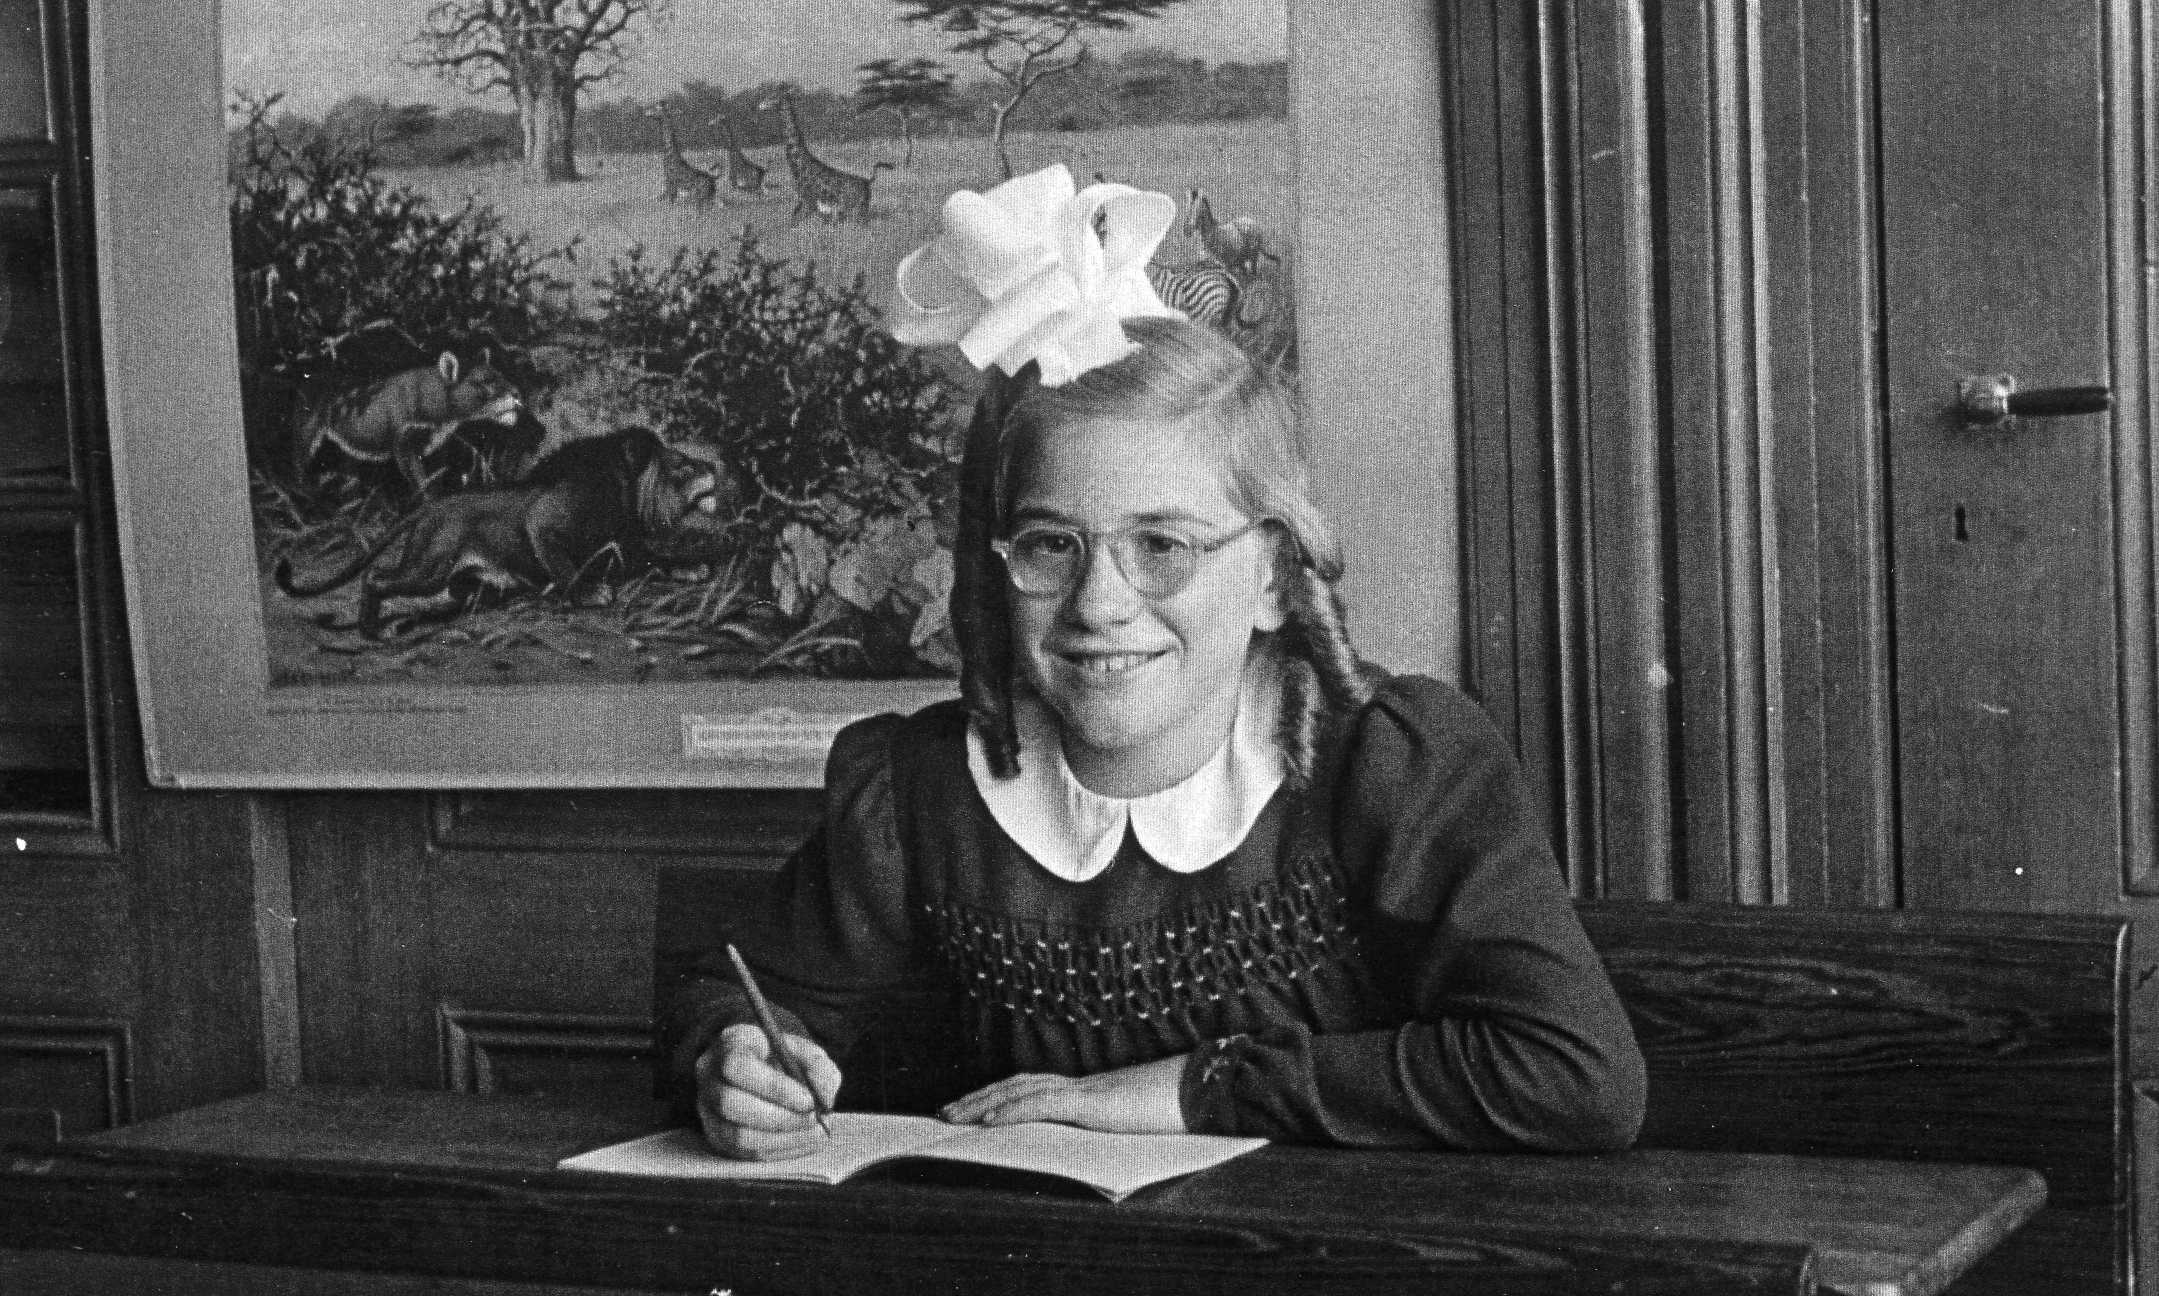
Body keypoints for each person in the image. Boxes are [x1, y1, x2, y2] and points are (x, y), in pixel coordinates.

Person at [661, 164, 1646, 1161]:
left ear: (1272, 575)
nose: (1099, 604)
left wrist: (1190, 1088)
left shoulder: (1387, 767)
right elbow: (745, 994)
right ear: (994, 568)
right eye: (1051, 544)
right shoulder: (923, 792)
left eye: (1163, 545)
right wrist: (741, 1057)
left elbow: (1572, 1075)